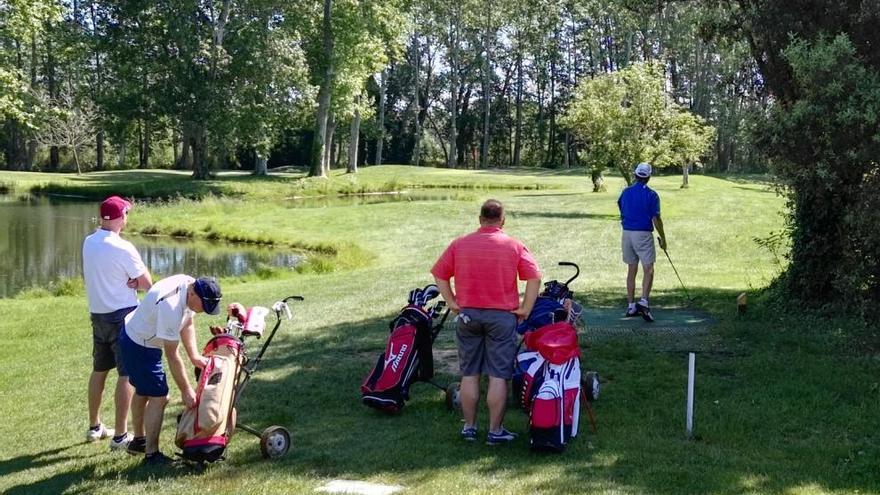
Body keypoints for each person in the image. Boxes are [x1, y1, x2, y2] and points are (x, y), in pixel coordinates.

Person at [431, 199, 541, 446]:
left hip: (468, 314)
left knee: (469, 374)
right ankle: (495, 430)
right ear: (502, 220)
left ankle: (469, 428)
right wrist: (526, 308)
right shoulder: (513, 245)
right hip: (501, 317)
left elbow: (439, 273)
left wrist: (451, 301)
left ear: (480, 219)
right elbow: (534, 277)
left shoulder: (460, 244)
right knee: (498, 376)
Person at [119, 274, 221, 465]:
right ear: (193, 294)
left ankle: (139, 441)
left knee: (143, 391)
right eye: (204, 307)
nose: (204, 312)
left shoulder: (191, 286)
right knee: (159, 396)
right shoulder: (171, 305)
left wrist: (194, 356)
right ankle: (151, 454)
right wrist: (186, 390)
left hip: (138, 337)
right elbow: (172, 355)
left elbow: (188, 322)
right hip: (139, 344)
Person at [82, 196, 152, 450]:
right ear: (120, 218)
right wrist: (134, 281)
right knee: (127, 375)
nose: (128, 218)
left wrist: (130, 279)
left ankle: (94, 426)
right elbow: (147, 284)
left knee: (99, 369)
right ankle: (121, 436)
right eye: (126, 214)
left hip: (98, 316)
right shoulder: (123, 247)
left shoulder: (88, 242)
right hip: (123, 317)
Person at [617, 162, 667, 322]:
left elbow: (621, 208)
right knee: (648, 268)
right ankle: (644, 302)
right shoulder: (652, 195)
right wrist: (663, 239)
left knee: (631, 268)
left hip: (627, 233)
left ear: (636, 175)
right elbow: (656, 219)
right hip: (643, 234)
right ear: (649, 177)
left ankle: (631, 306)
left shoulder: (625, 192)